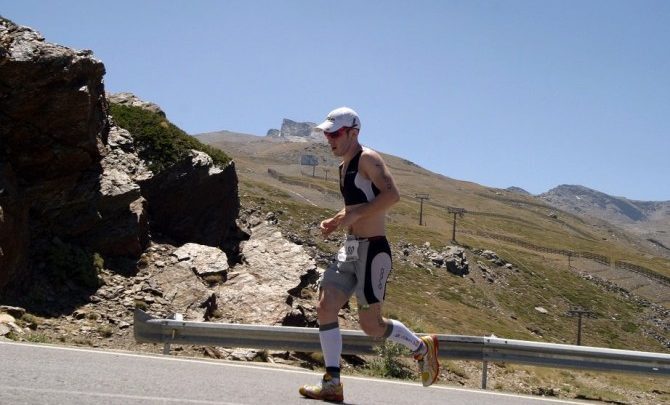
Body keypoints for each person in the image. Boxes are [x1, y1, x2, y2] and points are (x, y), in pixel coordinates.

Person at [299, 107, 440, 402]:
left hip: (373, 249)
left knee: (371, 326)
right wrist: (337, 221)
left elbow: (392, 196)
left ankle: (421, 347)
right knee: (326, 307)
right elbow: (354, 207)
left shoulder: (368, 159)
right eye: (327, 133)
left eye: (334, 133)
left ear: (353, 132)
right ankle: (332, 383)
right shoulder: (343, 167)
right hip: (349, 247)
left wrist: (354, 216)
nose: (329, 139)